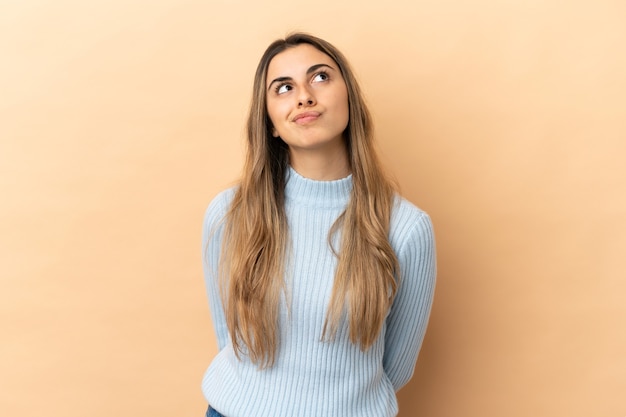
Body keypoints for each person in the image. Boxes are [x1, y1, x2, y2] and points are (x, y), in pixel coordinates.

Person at [201, 33, 436, 417]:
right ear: (271, 123)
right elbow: (231, 338)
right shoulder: (230, 213)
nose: (304, 97)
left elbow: (396, 366)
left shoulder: (406, 228)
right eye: (284, 88)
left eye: (321, 77)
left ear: (349, 99)